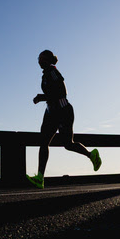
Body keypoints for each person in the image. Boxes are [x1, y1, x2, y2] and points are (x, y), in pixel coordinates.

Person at [27, 50, 101, 189]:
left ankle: (91, 155)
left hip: (63, 111)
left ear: (48, 60)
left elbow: (62, 92)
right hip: (50, 112)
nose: (39, 60)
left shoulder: (53, 72)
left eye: (42, 58)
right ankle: (40, 177)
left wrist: (41, 97)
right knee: (43, 142)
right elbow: (51, 93)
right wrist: (44, 98)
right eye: (38, 58)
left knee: (68, 144)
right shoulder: (45, 74)